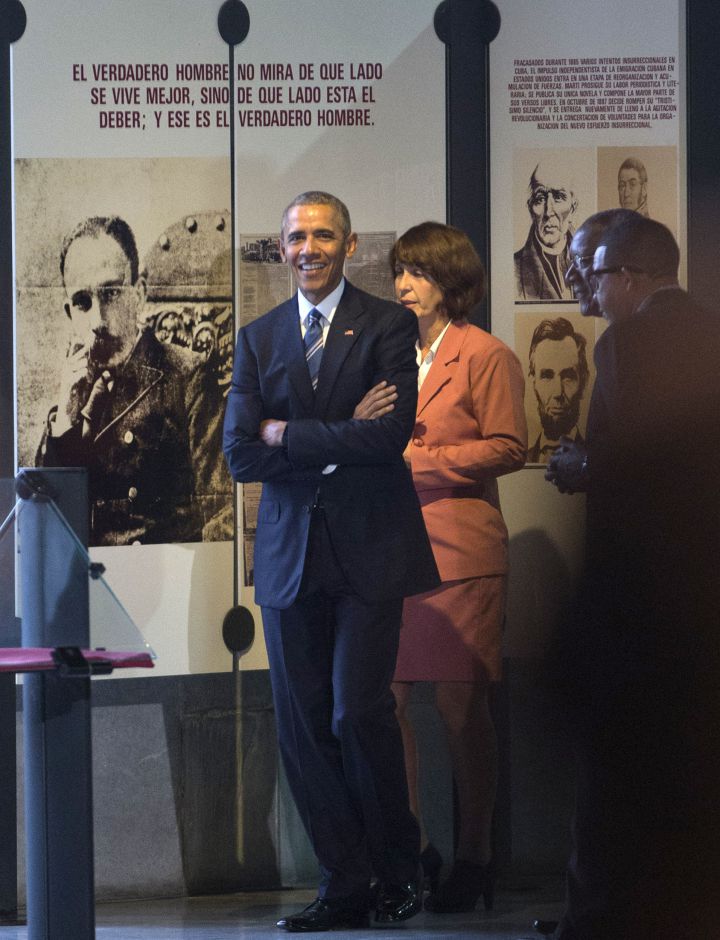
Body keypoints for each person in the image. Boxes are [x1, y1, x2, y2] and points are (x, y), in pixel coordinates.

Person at [222, 192, 440, 932]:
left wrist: (291, 433)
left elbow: (389, 440)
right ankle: (343, 885)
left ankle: (398, 869)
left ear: (349, 246)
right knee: (304, 727)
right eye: (295, 237)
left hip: (371, 552)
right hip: (290, 558)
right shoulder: (257, 338)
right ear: (282, 249)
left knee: (359, 711)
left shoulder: (386, 323)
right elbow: (239, 453)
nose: (307, 248)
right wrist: (332, 432)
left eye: (322, 235)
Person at [541, 215, 720, 938]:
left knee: (615, 783)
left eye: (591, 269)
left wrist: (586, 466)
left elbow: (656, 467)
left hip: (644, 606)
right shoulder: (712, 331)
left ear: (630, 276)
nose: (583, 280)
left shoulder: (628, 343)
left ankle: (598, 920)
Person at [384, 222, 527, 913]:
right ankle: (413, 850)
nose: (404, 286)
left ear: (450, 280)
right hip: (391, 554)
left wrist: (423, 465)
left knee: (460, 707)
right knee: (388, 703)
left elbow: (509, 446)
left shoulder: (486, 355)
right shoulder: (388, 353)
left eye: (417, 273)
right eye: (399, 273)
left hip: (461, 553)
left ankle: (476, 856)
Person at [37, 216, 228, 546]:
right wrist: (63, 418)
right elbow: (45, 516)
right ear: (69, 312)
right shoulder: (72, 392)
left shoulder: (187, 376)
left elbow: (223, 513)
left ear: (138, 293)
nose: (97, 321)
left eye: (110, 293)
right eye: (83, 302)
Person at [526, 318, 589, 464]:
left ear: (583, 382)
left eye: (568, 377)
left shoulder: (598, 460)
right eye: (547, 376)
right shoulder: (522, 461)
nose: (557, 393)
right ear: (533, 382)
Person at [515, 162, 578, 301]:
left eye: (558, 197)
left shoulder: (592, 265)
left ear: (573, 208)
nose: (548, 211)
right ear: (531, 209)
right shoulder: (514, 270)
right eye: (540, 199)